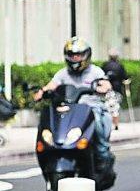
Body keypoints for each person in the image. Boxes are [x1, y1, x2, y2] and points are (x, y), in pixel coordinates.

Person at [34, 37, 114, 171]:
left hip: (91, 109)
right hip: (70, 110)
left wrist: (102, 88)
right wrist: (42, 92)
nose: (75, 58)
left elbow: (106, 84)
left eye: (79, 55)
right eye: (72, 55)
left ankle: (102, 155)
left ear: (87, 55)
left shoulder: (95, 71)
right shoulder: (63, 73)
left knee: (98, 123)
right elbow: (52, 85)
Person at [102, 48, 129, 129]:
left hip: (107, 89)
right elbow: (124, 77)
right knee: (115, 107)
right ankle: (116, 124)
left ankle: (109, 123)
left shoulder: (105, 65)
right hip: (117, 89)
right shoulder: (120, 66)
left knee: (108, 106)